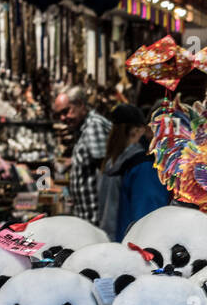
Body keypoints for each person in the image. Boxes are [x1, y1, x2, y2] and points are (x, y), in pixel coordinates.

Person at [98, 103, 170, 241]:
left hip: (111, 243)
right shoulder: (142, 166)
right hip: (133, 248)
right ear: (136, 131)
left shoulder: (109, 163)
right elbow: (149, 218)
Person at [54, 85, 113, 223]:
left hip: (96, 217)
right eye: (59, 115)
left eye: (66, 111)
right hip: (89, 215)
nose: (62, 118)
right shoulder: (85, 128)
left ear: (80, 104)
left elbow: (105, 171)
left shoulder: (93, 126)